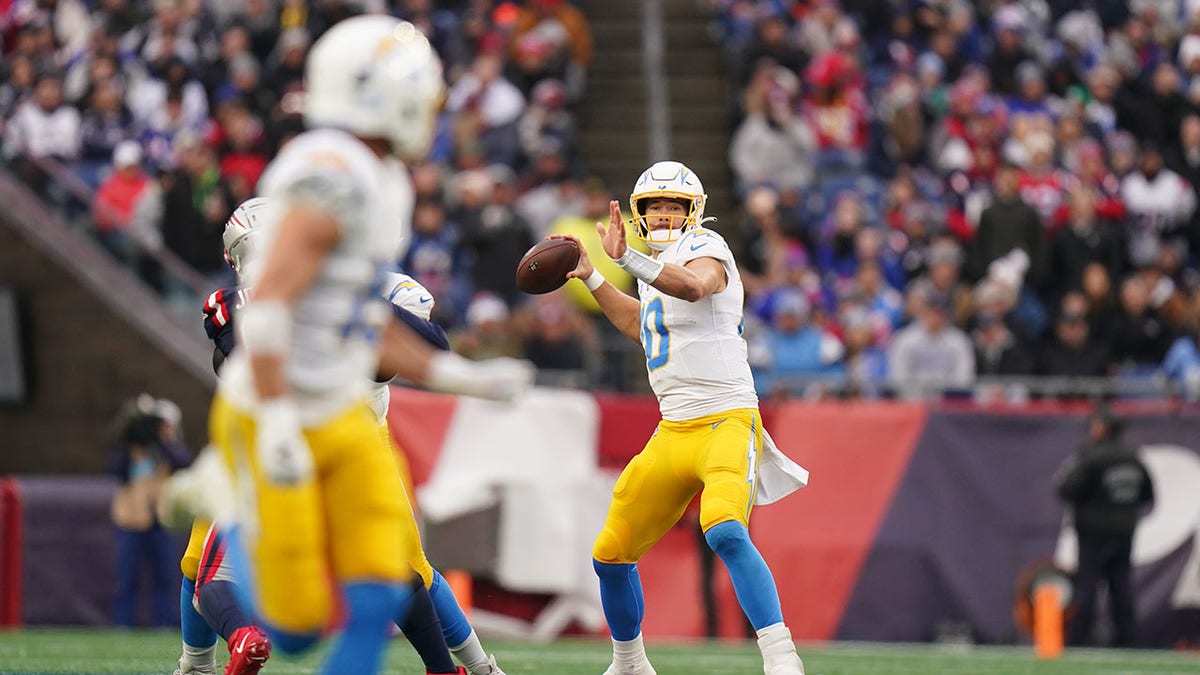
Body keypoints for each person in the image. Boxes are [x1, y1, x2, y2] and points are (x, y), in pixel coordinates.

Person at [201, 17, 530, 675]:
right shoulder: (333, 174)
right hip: (276, 408)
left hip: (340, 411)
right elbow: (265, 309)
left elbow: (362, 319)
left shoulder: (382, 179)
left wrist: (458, 374)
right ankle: (225, 503)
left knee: (385, 582)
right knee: (293, 630)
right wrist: (280, 423)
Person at [179, 197, 507, 675]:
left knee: (208, 566)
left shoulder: (262, 299)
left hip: (288, 436)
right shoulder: (310, 296)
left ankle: (212, 656)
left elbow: (426, 340)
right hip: (342, 438)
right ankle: (467, 669)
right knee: (402, 568)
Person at [552, 160, 809, 675]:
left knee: (724, 528)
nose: (665, 214)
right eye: (655, 206)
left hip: (726, 420)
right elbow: (641, 327)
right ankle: (629, 663)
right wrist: (595, 276)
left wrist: (633, 262)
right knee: (610, 551)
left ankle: (781, 657)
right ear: (640, 213)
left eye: (674, 205)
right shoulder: (653, 268)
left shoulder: (706, 250)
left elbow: (694, 287)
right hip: (673, 428)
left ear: (694, 212)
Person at [1055, 406, 1155, 647]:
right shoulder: (1133, 457)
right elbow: (1148, 494)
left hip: (1093, 531)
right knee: (1121, 588)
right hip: (1124, 531)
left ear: (1102, 428)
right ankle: (1127, 641)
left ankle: (1078, 641)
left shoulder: (1091, 456)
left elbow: (1067, 489)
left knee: (1088, 587)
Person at [109, 394, 191, 628]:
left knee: (166, 577)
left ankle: (165, 624)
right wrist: (131, 438)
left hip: (161, 521)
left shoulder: (168, 449)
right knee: (127, 578)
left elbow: (183, 462)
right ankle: (123, 624)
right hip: (131, 520)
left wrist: (161, 440)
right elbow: (117, 469)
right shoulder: (130, 448)